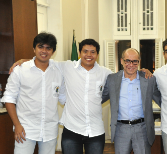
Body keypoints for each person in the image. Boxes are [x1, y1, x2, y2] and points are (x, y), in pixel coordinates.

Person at [9, 39, 152, 154]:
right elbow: (43, 59)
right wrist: (24, 61)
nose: (89, 55)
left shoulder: (106, 73)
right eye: (85, 51)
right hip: (72, 129)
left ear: (97, 54)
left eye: (93, 52)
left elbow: (126, 73)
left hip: (96, 131)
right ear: (79, 52)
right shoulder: (66, 67)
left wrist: (143, 71)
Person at [2, 32, 66, 154]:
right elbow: (9, 99)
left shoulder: (58, 71)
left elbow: (64, 98)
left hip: (49, 130)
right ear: (34, 48)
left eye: (48, 48)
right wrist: (17, 125)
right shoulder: (20, 70)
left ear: (53, 51)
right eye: (40, 46)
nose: (44, 51)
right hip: (25, 129)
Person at [102, 48, 161, 154]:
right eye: (127, 61)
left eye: (135, 61)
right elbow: (99, 98)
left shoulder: (149, 79)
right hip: (121, 129)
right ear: (121, 61)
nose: (131, 64)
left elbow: (162, 100)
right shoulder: (111, 80)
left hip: (142, 129)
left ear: (139, 62)